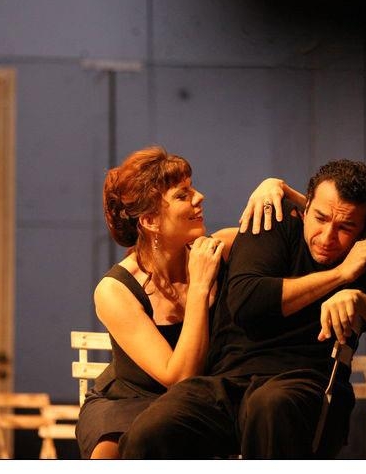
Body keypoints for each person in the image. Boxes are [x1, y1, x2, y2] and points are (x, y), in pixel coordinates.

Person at [119, 159, 366, 459]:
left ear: (364, 231)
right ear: (304, 208)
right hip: (227, 384)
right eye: (320, 218)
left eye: (346, 227)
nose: (327, 237)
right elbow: (248, 303)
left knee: (270, 405)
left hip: (306, 386)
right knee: (150, 432)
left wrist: (364, 303)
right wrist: (339, 275)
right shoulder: (272, 224)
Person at [75, 146, 302, 459]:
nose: (199, 197)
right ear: (150, 220)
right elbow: (179, 379)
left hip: (203, 401)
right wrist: (199, 287)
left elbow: (310, 236)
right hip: (129, 403)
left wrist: (280, 189)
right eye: (183, 195)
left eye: (192, 188)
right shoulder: (116, 290)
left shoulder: (219, 248)